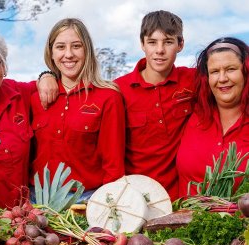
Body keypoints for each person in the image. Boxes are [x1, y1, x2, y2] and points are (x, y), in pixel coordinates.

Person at [30, 18, 125, 198]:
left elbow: (113, 164)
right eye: (60, 47)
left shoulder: (108, 98)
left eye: (76, 46)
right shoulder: (35, 98)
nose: (68, 54)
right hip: (36, 201)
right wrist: (45, 75)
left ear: (87, 50)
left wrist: (109, 204)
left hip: (86, 199)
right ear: (50, 53)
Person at [114, 10, 196, 202]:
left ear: (180, 44)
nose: (159, 50)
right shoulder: (118, 90)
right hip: (137, 198)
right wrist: (47, 75)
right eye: (152, 42)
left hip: (182, 197)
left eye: (168, 42)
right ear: (142, 44)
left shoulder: (193, 80)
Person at [177, 37, 249, 197]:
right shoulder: (192, 115)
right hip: (184, 219)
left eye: (230, 69)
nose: (222, 78)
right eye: (215, 71)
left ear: (245, 71)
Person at [0, 32, 36, 208]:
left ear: (3, 66)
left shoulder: (18, 93)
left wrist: (47, 75)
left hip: (22, 219)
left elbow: (46, 85)